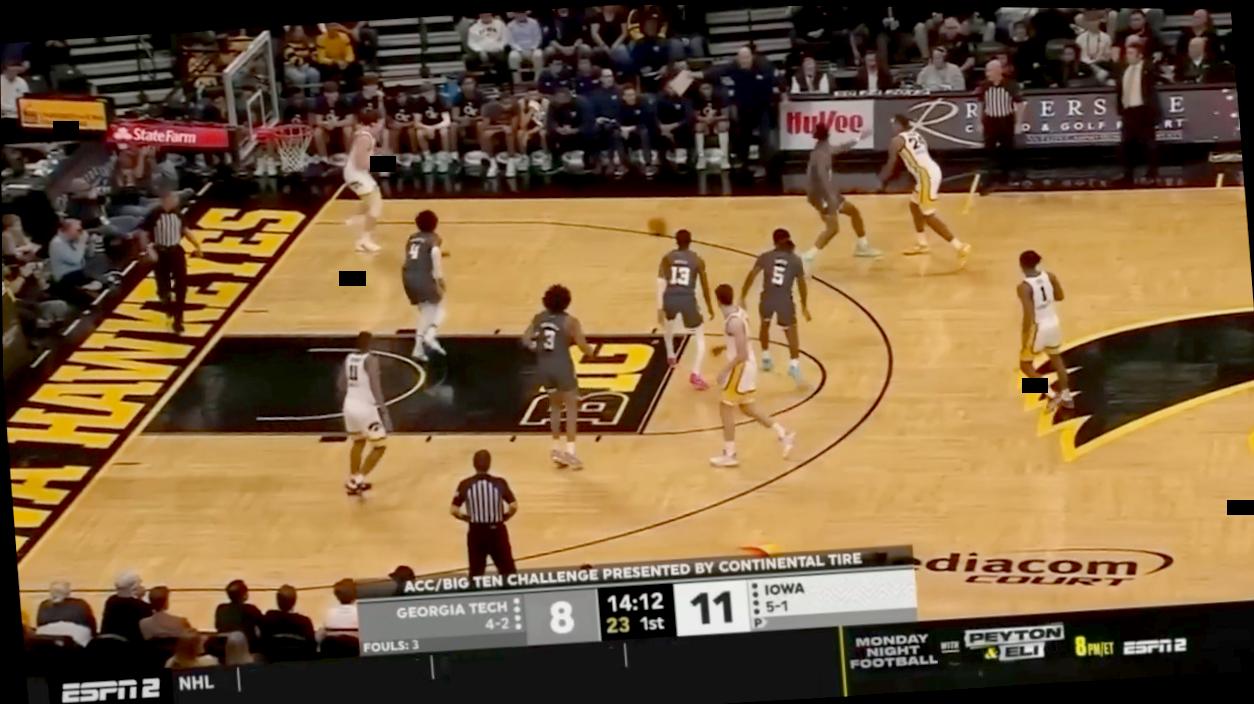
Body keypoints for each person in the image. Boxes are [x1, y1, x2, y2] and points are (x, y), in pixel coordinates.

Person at [709, 283, 796, 467]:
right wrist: (723, 347)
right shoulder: (739, 312)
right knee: (748, 408)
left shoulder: (733, 322)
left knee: (725, 407)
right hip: (747, 366)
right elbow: (742, 340)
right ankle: (783, 434)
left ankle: (730, 454)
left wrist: (724, 370)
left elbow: (742, 354)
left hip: (740, 367)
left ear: (717, 300)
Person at [877, 115, 969, 264]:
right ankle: (922, 243)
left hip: (926, 177)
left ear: (900, 125)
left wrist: (881, 180)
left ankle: (959, 246)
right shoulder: (917, 135)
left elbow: (891, 164)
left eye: (894, 124)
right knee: (914, 205)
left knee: (928, 215)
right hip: (929, 171)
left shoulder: (896, 141)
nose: (892, 128)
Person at [522, 284, 595, 469]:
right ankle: (570, 452)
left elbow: (526, 339)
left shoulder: (539, 318)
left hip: (544, 367)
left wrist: (537, 348)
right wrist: (592, 353)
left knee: (554, 406)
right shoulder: (570, 322)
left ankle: (555, 449)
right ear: (566, 302)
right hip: (562, 367)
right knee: (571, 407)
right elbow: (583, 346)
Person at [801, 122, 879, 272]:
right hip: (822, 195)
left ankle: (862, 246)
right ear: (828, 134)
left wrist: (858, 138)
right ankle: (808, 256)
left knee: (853, 212)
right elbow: (822, 178)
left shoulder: (822, 148)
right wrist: (830, 198)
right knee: (833, 229)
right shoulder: (821, 154)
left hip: (825, 194)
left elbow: (841, 148)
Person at [741, 229, 809, 387]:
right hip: (784, 300)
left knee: (765, 324)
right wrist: (804, 305)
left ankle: (765, 357)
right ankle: (794, 365)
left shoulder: (765, 257)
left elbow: (752, 275)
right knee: (791, 331)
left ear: (774, 242)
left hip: (767, 298)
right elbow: (802, 284)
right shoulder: (795, 260)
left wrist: (743, 295)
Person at [139, 192, 203, 336]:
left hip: (176, 251)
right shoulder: (154, 214)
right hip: (160, 252)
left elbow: (185, 229)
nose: (176, 202)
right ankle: (166, 300)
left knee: (182, 285)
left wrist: (197, 245)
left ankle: (179, 321)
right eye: (173, 199)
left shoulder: (178, 214)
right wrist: (148, 250)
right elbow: (143, 233)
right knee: (164, 287)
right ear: (165, 200)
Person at [657, 229, 713, 389]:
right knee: (700, 338)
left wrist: (659, 307)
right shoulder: (697, 260)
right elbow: (705, 286)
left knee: (668, 326)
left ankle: (670, 355)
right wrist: (709, 307)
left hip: (669, 297)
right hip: (687, 300)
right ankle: (695, 374)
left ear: (676, 241)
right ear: (690, 241)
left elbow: (661, 282)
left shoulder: (667, 258)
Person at [1017, 250, 1073, 411]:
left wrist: (1025, 335)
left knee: (1025, 366)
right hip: (1053, 323)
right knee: (1057, 360)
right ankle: (1067, 397)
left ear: (1021, 265)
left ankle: (1051, 395)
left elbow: (1029, 314)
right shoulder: (1050, 276)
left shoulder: (1024, 287)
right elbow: (1060, 296)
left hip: (1038, 328)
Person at [451, 449, 518, 579]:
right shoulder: (499, 483)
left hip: (476, 532)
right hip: (497, 531)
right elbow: (513, 506)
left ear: (474, 464)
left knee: (476, 572)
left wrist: (466, 518)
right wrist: (506, 516)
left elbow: (454, 510)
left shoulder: (465, 484)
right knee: (508, 571)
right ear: (489, 464)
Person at [340, 331, 390, 495]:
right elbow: (376, 387)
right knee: (380, 446)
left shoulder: (349, 358)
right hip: (365, 408)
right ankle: (357, 480)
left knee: (358, 442)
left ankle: (354, 478)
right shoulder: (370, 360)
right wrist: (384, 411)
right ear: (369, 344)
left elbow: (341, 384)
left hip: (349, 405)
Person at [404, 210, 447, 361]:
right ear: (435, 224)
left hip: (407, 277)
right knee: (439, 309)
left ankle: (422, 344)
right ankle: (427, 338)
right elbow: (434, 253)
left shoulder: (412, 239)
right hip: (423, 278)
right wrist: (440, 280)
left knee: (426, 311)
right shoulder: (434, 239)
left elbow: (414, 256)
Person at [976, 59, 1026, 188]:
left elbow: (1020, 104)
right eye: (986, 70)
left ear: (998, 71)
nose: (987, 73)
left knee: (1007, 149)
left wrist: (1018, 123)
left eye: (989, 70)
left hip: (1005, 120)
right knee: (989, 150)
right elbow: (980, 105)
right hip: (990, 120)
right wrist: (979, 122)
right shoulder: (984, 86)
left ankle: (1006, 177)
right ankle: (989, 178)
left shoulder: (1010, 85)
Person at [1115, 41, 1159, 183]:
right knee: (1126, 144)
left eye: (1131, 53)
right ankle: (1127, 174)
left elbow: (1156, 79)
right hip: (1128, 111)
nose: (1127, 56)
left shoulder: (1147, 68)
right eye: (1127, 53)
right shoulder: (1124, 69)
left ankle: (1152, 174)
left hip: (1143, 110)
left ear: (1140, 55)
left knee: (1148, 144)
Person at [344, 108, 383, 253]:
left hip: (358, 173)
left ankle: (356, 220)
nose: (382, 126)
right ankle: (364, 241)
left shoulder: (366, 136)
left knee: (371, 200)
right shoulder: (364, 138)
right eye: (380, 123)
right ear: (373, 123)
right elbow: (361, 163)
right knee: (376, 206)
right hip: (356, 174)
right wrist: (386, 163)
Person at [35, 580, 97, 647]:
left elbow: (39, 624)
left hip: (45, 641)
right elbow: (92, 624)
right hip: (76, 642)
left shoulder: (43, 605)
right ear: (68, 592)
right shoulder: (81, 603)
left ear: (51, 592)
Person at [100, 570, 153, 643]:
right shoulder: (143, 607)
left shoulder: (110, 601)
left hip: (107, 645)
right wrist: (140, 598)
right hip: (131, 647)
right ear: (134, 588)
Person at [412, 81, 453, 174]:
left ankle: (444, 158)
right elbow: (416, 122)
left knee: (444, 131)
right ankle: (428, 158)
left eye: (430, 92)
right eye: (426, 93)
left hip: (439, 126)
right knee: (419, 133)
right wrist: (427, 128)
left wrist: (433, 128)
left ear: (434, 91)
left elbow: (447, 121)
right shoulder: (419, 102)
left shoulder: (441, 100)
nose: (429, 95)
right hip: (426, 126)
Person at [614, 84, 653, 177]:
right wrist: (622, 128)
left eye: (633, 94)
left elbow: (646, 120)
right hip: (625, 130)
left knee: (644, 132)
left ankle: (648, 164)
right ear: (623, 97)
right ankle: (623, 164)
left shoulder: (642, 104)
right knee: (616, 134)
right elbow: (616, 120)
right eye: (628, 95)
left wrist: (631, 128)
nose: (631, 97)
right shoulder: (619, 106)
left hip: (639, 129)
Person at [214, 579, 263, 651]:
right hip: (247, 649)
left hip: (222, 648)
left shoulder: (220, 608)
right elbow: (263, 626)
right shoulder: (250, 609)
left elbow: (217, 626)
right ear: (244, 595)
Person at [691, 81, 730, 171]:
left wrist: (714, 119)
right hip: (704, 123)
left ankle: (724, 158)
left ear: (712, 89)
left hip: (717, 122)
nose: (706, 91)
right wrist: (705, 120)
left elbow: (725, 115)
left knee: (723, 125)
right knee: (698, 126)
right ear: (700, 90)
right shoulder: (697, 100)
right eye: (703, 89)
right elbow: (696, 116)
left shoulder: (719, 99)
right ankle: (701, 158)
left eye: (708, 88)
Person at [465, 13, 509, 82]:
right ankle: (476, 81)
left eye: (488, 15)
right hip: (481, 51)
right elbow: (471, 43)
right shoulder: (473, 28)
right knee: (468, 59)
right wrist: (480, 51)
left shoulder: (500, 24)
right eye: (483, 15)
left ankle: (501, 81)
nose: (486, 17)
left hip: (497, 49)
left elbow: (505, 38)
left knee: (502, 58)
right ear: (480, 16)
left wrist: (500, 47)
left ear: (491, 15)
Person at [506, 11, 545, 81]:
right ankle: (517, 82)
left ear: (525, 13)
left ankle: (538, 80)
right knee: (512, 57)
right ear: (515, 14)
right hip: (518, 50)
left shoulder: (534, 22)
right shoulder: (510, 25)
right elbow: (511, 41)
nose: (521, 15)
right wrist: (520, 50)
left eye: (522, 13)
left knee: (538, 55)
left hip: (532, 49)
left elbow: (538, 38)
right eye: (518, 13)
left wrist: (532, 48)